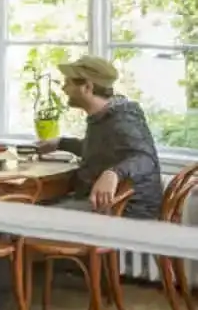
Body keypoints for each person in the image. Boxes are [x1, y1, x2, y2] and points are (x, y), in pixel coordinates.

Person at [35, 56, 163, 220]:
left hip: (126, 212)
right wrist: (60, 143)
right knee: (36, 207)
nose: (64, 88)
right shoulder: (107, 115)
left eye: (68, 83)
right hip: (111, 205)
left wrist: (113, 174)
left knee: (27, 216)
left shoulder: (121, 121)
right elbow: (100, 150)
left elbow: (145, 158)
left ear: (87, 87)